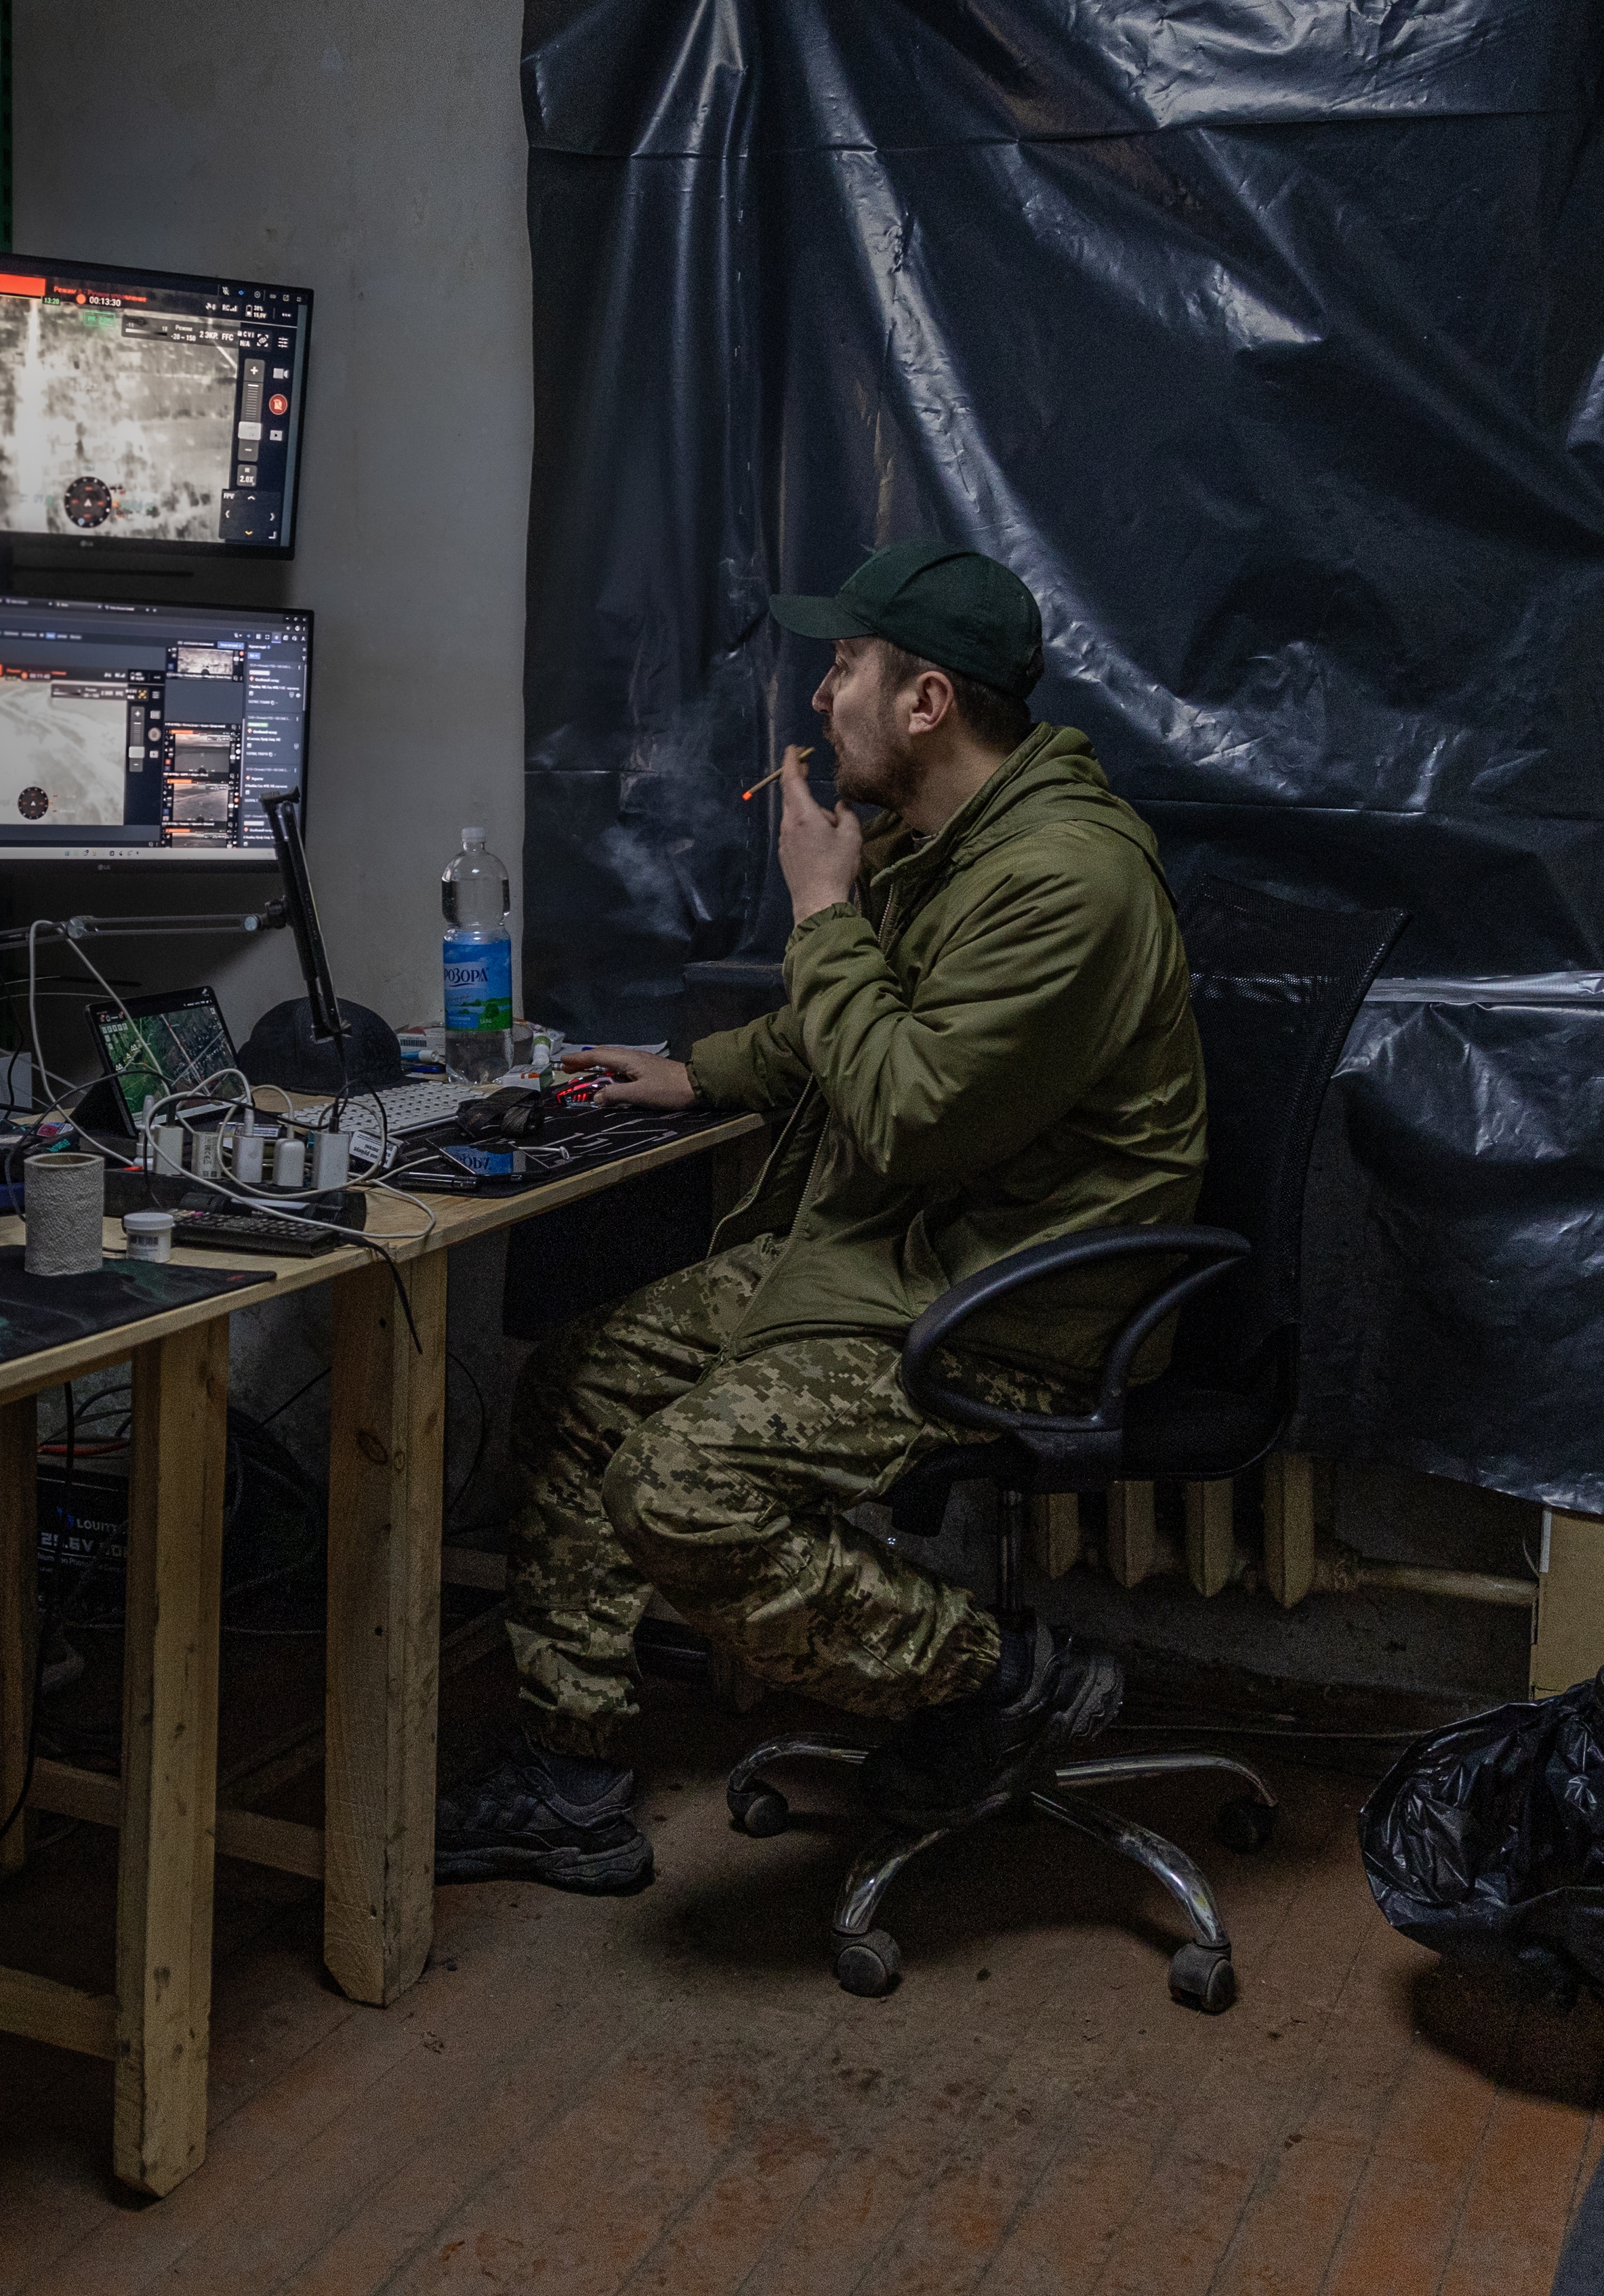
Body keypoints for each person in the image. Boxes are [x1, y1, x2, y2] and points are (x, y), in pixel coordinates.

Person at [434, 539, 1208, 1892]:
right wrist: (702, 1071)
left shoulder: (1065, 879)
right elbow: (865, 1027)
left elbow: (909, 1103)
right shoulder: (960, 841)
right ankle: (569, 1774)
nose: (818, 697)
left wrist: (819, 905)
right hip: (901, 1255)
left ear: (928, 703)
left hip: (1008, 1302)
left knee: (678, 1485)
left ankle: (1003, 1673)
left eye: (843, 666)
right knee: (577, 1383)